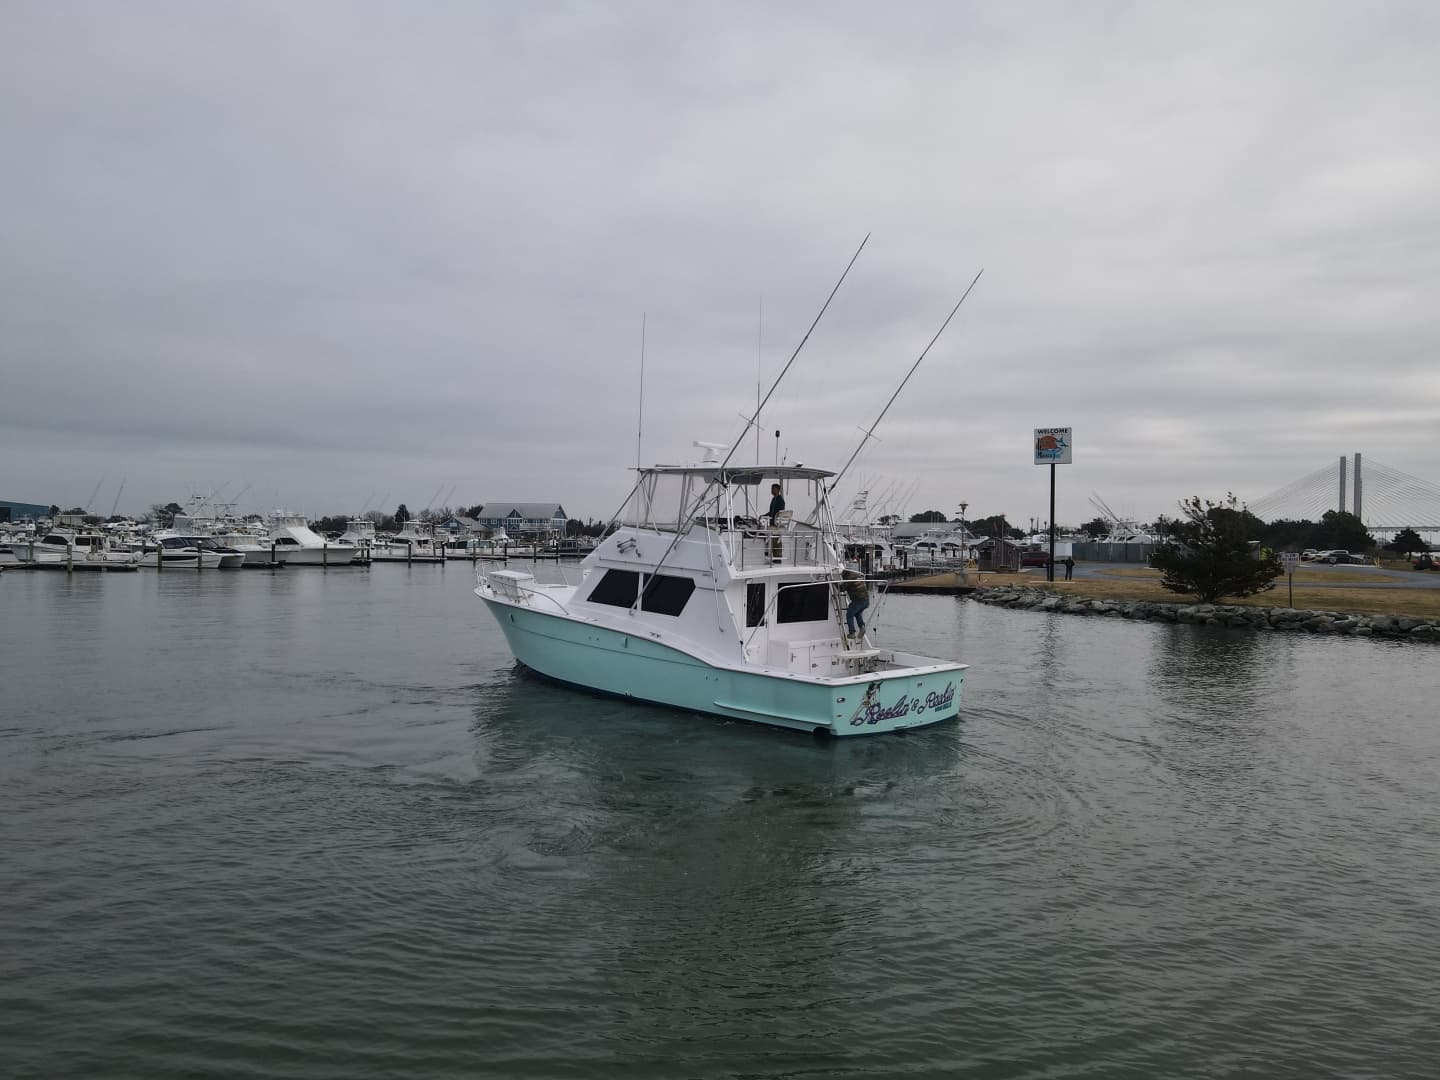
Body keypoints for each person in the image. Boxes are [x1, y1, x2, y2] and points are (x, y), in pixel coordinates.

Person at [841, 567, 870, 639]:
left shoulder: (849, 579)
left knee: (849, 615)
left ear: (845, 575)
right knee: (857, 614)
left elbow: (841, 589)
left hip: (858, 601)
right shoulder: (858, 576)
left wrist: (834, 584)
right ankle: (862, 627)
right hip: (866, 601)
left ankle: (852, 633)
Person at [767, 483, 785, 561]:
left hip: (776, 523)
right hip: (772, 522)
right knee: (773, 540)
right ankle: (773, 555)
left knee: (776, 540)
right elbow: (771, 511)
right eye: (772, 489)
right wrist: (764, 515)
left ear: (778, 490)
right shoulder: (774, 499)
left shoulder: (780, 500)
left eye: (773, 489)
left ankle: (778, 557)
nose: (772, 490)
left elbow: (779, 512)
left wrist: (773, 520)